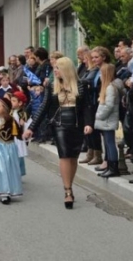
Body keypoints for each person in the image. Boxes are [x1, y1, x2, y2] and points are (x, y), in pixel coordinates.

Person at [24, 57, 93, 209]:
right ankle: (67, 190)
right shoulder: (52, 86)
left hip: (76, 124)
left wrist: (88, 123)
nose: (55, 70)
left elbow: (87, 106)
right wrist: (31, 128)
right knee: (64, 155)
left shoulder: (82, 85)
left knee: (73, 157)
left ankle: (70, 185)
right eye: (54, 68)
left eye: (57, 68)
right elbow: (43, 107)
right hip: (59, 124)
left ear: (66, 69)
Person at [0, 97, 23, 205]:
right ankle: (3, 193)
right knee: (1, 169)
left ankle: (10, 190)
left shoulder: (11, 120)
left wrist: (23, 133)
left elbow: (18, 133)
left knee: (9, 169)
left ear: (5, 108)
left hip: (9, 148)